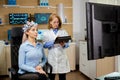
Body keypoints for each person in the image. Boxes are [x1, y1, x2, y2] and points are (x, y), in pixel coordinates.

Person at [43, 13, 70, 80]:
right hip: (52, 58)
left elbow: (68, 44)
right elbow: (45, 45)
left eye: (57, 22)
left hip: (62, 57)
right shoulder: (46, 33)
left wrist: (63, 44)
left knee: (62, 77)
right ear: (50, 22)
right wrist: (54, 41)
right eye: (54, 22)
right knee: (51, 77)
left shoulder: (63, 32)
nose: (56, 24)